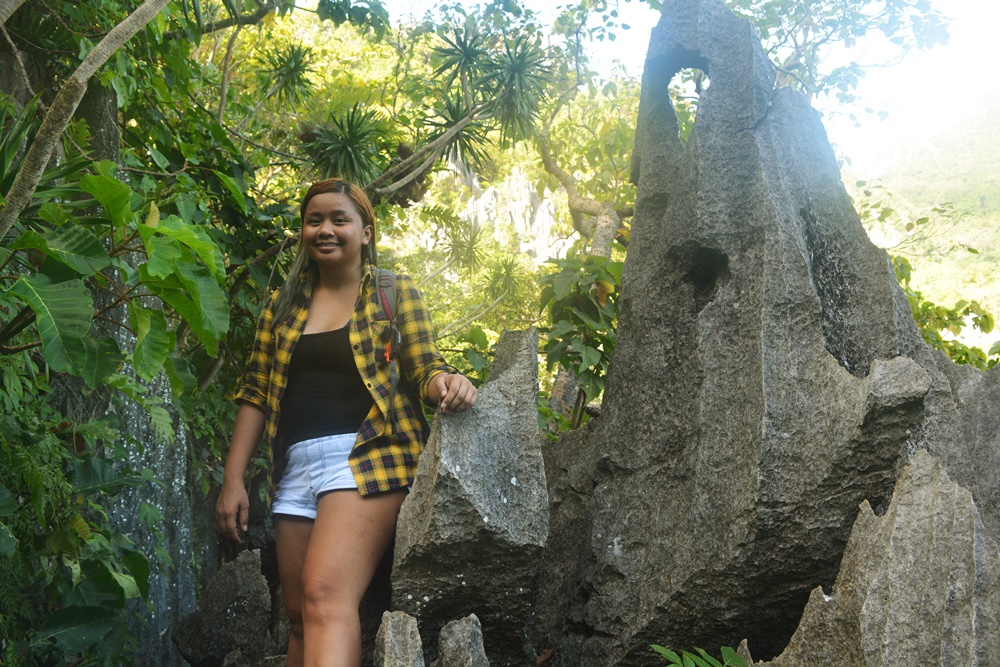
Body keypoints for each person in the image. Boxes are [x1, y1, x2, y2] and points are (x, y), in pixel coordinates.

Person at [216, 178, 478, 667]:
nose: (326, 229)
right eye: (314, 220)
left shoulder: (391, 293)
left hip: (367, 457)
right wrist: (234, 480)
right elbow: (254, 392)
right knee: (298, 616)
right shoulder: (281, 307)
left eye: (340, 219)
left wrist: (448, 383)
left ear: (365, 230)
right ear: (302, 233)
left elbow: (424, 367)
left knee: (325, 598)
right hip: (294, 468)